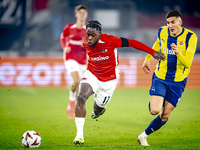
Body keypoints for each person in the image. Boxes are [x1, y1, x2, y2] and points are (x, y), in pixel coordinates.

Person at [73, 20, 166, 144]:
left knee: (98, 110)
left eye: (93, 35)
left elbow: (133, 43)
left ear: (100, 33)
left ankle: (98, 111)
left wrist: (152, 52)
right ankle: (79, 136)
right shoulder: (85, 42)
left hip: (109, 81)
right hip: (92, 75)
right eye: (87, 34)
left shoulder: (111, 40)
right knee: (81, 96)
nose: (89, 38)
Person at [138, 10, 198, 146]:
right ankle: (156, 98)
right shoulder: (162, 31)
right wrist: (147, 58)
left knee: (165, 116)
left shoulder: (191, 37)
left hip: (178, 81)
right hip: (161, 77)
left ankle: (143, 136)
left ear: (180, 22)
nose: (170, 25)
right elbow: (158, 43)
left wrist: (178, 53)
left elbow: (188, 63)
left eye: (173, 22)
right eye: (168, 22)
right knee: (155, 110)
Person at [60, 5, 88, 119]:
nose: (82, 15)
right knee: (76, 80)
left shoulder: (89, 30)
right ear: (76, 14)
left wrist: (86, 44)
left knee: (79, 86)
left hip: (83, 60)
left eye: (84, 13)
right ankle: (72, 106)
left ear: (86, 15)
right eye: (80, 13)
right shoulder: (69, 27)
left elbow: (94, 44)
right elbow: (62, 37)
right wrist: (64, 47)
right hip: (70, 57)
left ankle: (71, 106)